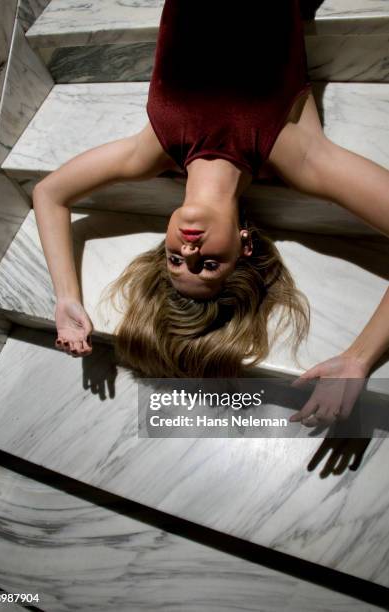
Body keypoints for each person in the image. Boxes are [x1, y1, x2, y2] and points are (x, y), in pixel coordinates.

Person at [32, 0, 389, 427]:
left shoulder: (154, 149)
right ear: (245, 244)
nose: (189, 248)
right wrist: (358, 358)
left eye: (176, 260)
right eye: (210, 265)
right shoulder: (294, 155)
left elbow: (49, 192)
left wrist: (66, 296)